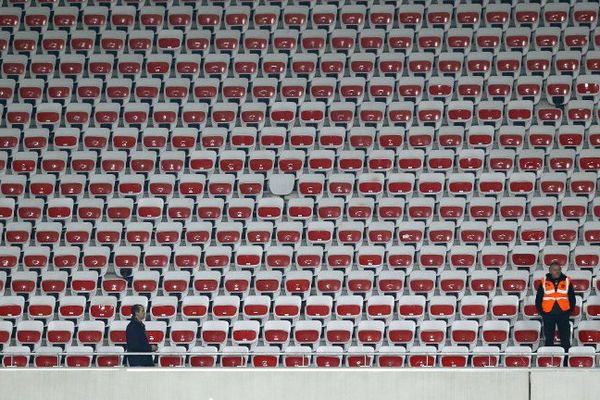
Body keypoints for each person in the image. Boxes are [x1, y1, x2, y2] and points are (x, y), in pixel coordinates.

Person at [535, 262, 576, 352]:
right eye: (554, 270)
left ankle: (565, 363)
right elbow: (538, 299)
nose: (557, 272)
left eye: (558, 270)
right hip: (548, 315)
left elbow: (572, 298)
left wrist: (568, 312)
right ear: (550, 271)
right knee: (549, 339)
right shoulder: (543, 281)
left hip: (563, 315)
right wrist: (542, 313)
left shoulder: (567, 281)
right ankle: (550, 362)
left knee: (565, 340)